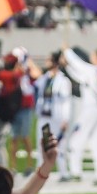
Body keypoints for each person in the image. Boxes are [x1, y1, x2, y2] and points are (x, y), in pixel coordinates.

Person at [62, 47, 97, 184]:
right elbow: (79, 76)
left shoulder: (92, 70)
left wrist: (66, 51)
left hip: (90, 110)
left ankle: (75, 172)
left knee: (76, 140)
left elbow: (78, 64)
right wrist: (67, 67)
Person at [33, 51, 72, 180]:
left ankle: (63, 172)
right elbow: (34, 81)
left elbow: (66, 101)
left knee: (59, 144)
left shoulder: (63, 81)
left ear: (55, 62)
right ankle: (41, 171)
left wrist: (66, 119)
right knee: (42, 143)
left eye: (49, 60)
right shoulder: (44, 78)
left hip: (57, 118)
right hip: (44, 116)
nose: (46, 62)